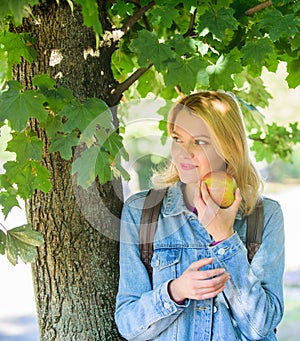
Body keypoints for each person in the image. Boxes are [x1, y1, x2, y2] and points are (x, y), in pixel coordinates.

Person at [115, 91, 285, 340]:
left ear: (229, 146)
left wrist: (225, 238)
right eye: (177, 138)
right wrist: (175, 291)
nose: (184, 152)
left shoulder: (265, 216)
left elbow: (260, 327)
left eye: (200, 141)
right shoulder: (141, 213)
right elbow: (129, 325)